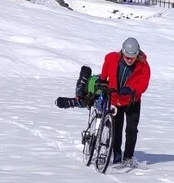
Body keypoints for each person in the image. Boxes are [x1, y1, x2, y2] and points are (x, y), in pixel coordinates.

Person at [55, 37, 151, 165]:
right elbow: (105, 70)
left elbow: (143, 85)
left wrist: (131, 89)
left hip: (132, 101)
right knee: (117, 127)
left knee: (131, 129)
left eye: (132, 58)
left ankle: (128, 157)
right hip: (115, 98)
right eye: (126, 57)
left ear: (137, 55)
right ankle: (116, 154)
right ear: (122, 52)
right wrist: (103, 80)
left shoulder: (144, 66)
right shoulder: (111, 58)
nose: (129, 60)